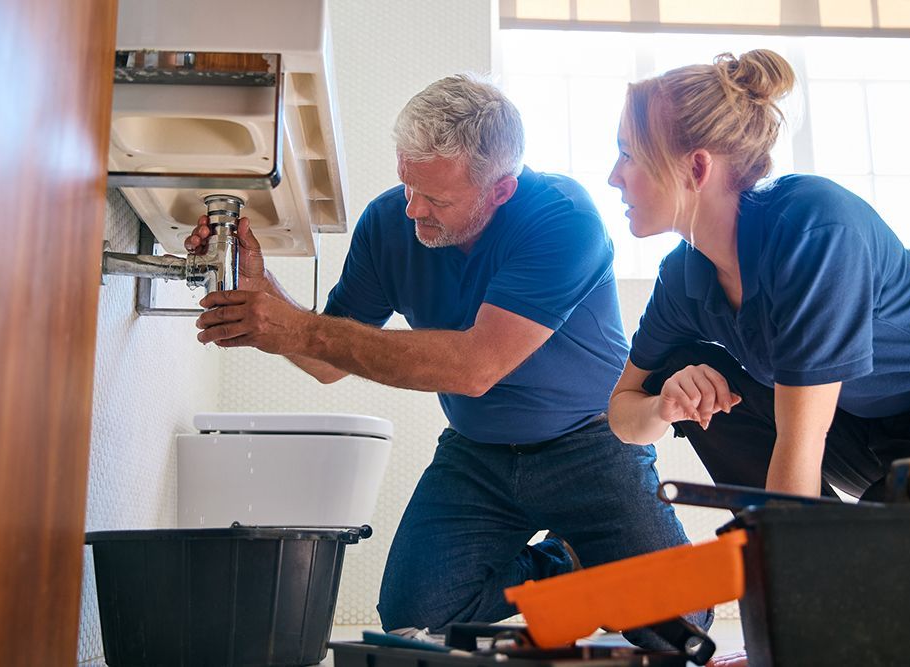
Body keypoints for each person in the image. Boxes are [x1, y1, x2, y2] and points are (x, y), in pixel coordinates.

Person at [187, 74, 709, 646]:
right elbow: (326, 358)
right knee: (417, 616)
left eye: (437, 199)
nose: (413, 209)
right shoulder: (389, 223)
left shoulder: (563, 219)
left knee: (679, 630)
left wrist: (300, 328)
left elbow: (475, 367)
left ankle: (613, 569)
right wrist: (264, 295)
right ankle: (566, 562)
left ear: (500, 190)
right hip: (477, 456)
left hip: (590, 447)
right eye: (408, 184)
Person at [606, 49, 910, 503]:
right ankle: (802, 549)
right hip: (870, 437)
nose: (614, 177)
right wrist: (664, 406)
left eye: (628, 154)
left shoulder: (815, 231)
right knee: (683, 370)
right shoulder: (682, 277)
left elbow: (803, 440)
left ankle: (806, 555)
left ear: (696, 168)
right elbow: (621, 411)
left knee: (884, 549)